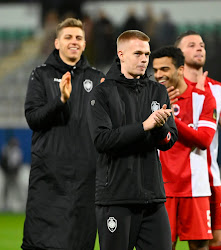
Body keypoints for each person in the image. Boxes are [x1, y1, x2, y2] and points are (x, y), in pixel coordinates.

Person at [87, 30, 178, 250]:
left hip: (152, 199)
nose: (144, 59)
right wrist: (144, 126)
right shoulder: (102, 93)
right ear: (121, 54)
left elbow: (168, 141)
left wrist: (159, 128)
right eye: (138, 53)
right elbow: (102, 140)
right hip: (116, 199)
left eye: (147, 54)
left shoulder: (158, 91)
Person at [22, 18, 105, 250]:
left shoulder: (98, 79)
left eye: (78, 37)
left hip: (85, 178)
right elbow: (33, 119)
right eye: (68, 37)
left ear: (85, 43)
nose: (74, 42)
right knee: (40, 242)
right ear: (57, 42)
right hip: (49, 176)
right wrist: (60, 100)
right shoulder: (40, 75)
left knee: (81, 242)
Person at [175, 30, 221, 250]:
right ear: (178, 55)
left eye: (202, 45)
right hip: (173, 179)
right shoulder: (167, 89)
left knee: (216, 241)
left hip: (208, 178)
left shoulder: (217, 90)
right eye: (192, 45)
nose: (199, 48)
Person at [152, 46, 218, 250]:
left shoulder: (203, 98)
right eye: (155, 70)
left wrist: (170, 116)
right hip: (161, 188)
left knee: (199, 246)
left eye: (164, 69)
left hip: (194, 189)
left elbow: (204, 140)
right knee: (163, 246)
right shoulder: (151, 99)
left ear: (180, 70)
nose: (158, 75)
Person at [0, 137, 23, 211]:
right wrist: (6, 171)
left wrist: (15, 171)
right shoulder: (5, 150)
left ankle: (20, 204)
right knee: (6, 189)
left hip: (14, 173)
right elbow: (3, 162)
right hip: (7, 173)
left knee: (17, 188)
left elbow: (19, 162)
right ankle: (5, 204)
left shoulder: (17, 151)